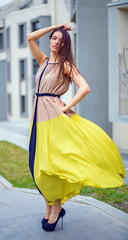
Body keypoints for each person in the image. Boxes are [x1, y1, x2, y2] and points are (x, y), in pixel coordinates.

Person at [27, 23, 126, 232]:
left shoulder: (66, 65)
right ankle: (49, 207)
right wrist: (56, 26)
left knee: (52, 165)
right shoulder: (43, 61)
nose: (56, 42)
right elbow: (30, 37)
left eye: (61, 41)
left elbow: (85, 88)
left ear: (65, 46)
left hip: (54, 118)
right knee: (37, 166)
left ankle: (56, 208)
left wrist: (66, 107)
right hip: (37, 118)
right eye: (54, 38)